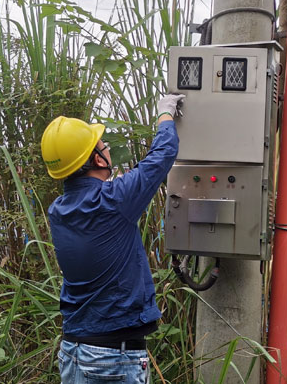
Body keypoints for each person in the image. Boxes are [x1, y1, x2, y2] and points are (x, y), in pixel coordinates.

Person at [40, 94, 184, 383]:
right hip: (111, 360)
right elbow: (162, 155)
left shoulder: (58, 211)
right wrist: (165, 114)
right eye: (102, 144)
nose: (106, 147)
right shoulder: (113, 200)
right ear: (97, 158)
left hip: (73, 352)